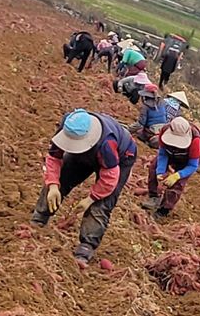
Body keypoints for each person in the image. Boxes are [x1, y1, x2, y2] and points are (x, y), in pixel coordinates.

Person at [30, 109, 136, 266]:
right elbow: (53, 157)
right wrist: (53, 185)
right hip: (88, 151)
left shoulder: (107, 144)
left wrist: (90, 198)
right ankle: (40, 218)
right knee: (61, 179)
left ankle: (86, 246)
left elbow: (109, 179)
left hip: (120, 159)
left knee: (101, 205)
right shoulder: (68, 125)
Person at [143, 116, 200, 216]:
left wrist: (177, 175)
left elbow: (193, 165)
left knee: (178, 184)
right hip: (169, 153)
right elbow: (162, 154)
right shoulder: (164, 130)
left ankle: (164, 209)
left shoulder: (195, 140)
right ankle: (153, 196)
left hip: (186, 160)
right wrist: (160, 171)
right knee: (153, 168)